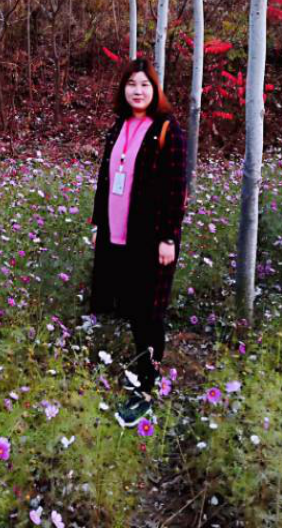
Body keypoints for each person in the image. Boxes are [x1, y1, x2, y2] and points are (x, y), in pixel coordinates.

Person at [87, 57, 187, 427]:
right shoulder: (119, 126)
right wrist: (98, 224)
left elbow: (176, 188)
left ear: (155, 89)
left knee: (149, 312)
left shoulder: (167, 129)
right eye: (132, 84)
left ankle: (145, 389)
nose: (138, 91)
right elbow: (105, 178)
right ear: (123, 89)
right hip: (118, 235)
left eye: (145, 84)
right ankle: (141, 369)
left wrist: (168, 237)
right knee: (132, 307)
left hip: (150, 238)